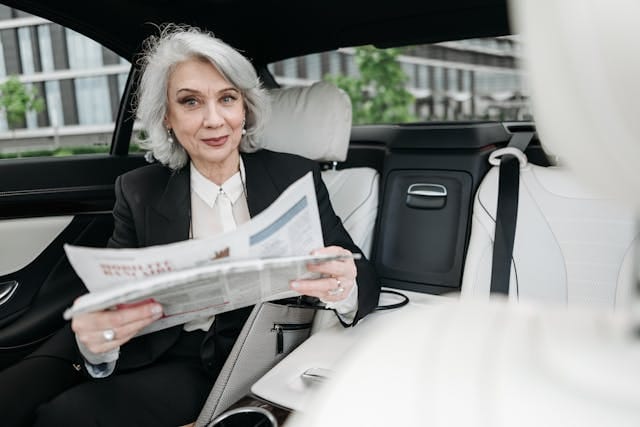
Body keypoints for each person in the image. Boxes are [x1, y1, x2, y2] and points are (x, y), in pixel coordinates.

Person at [0, 23, 379, 426]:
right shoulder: (138, 189)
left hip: (237, 358)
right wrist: (99, 343)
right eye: (191, 102)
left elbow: (361, 274)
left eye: (227, 99)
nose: (214, 120)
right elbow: (112, 297)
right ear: (167, 117)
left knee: (66, 417)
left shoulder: (293, 175)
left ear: (244, 108)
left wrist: (345, 284)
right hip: (149, 348)